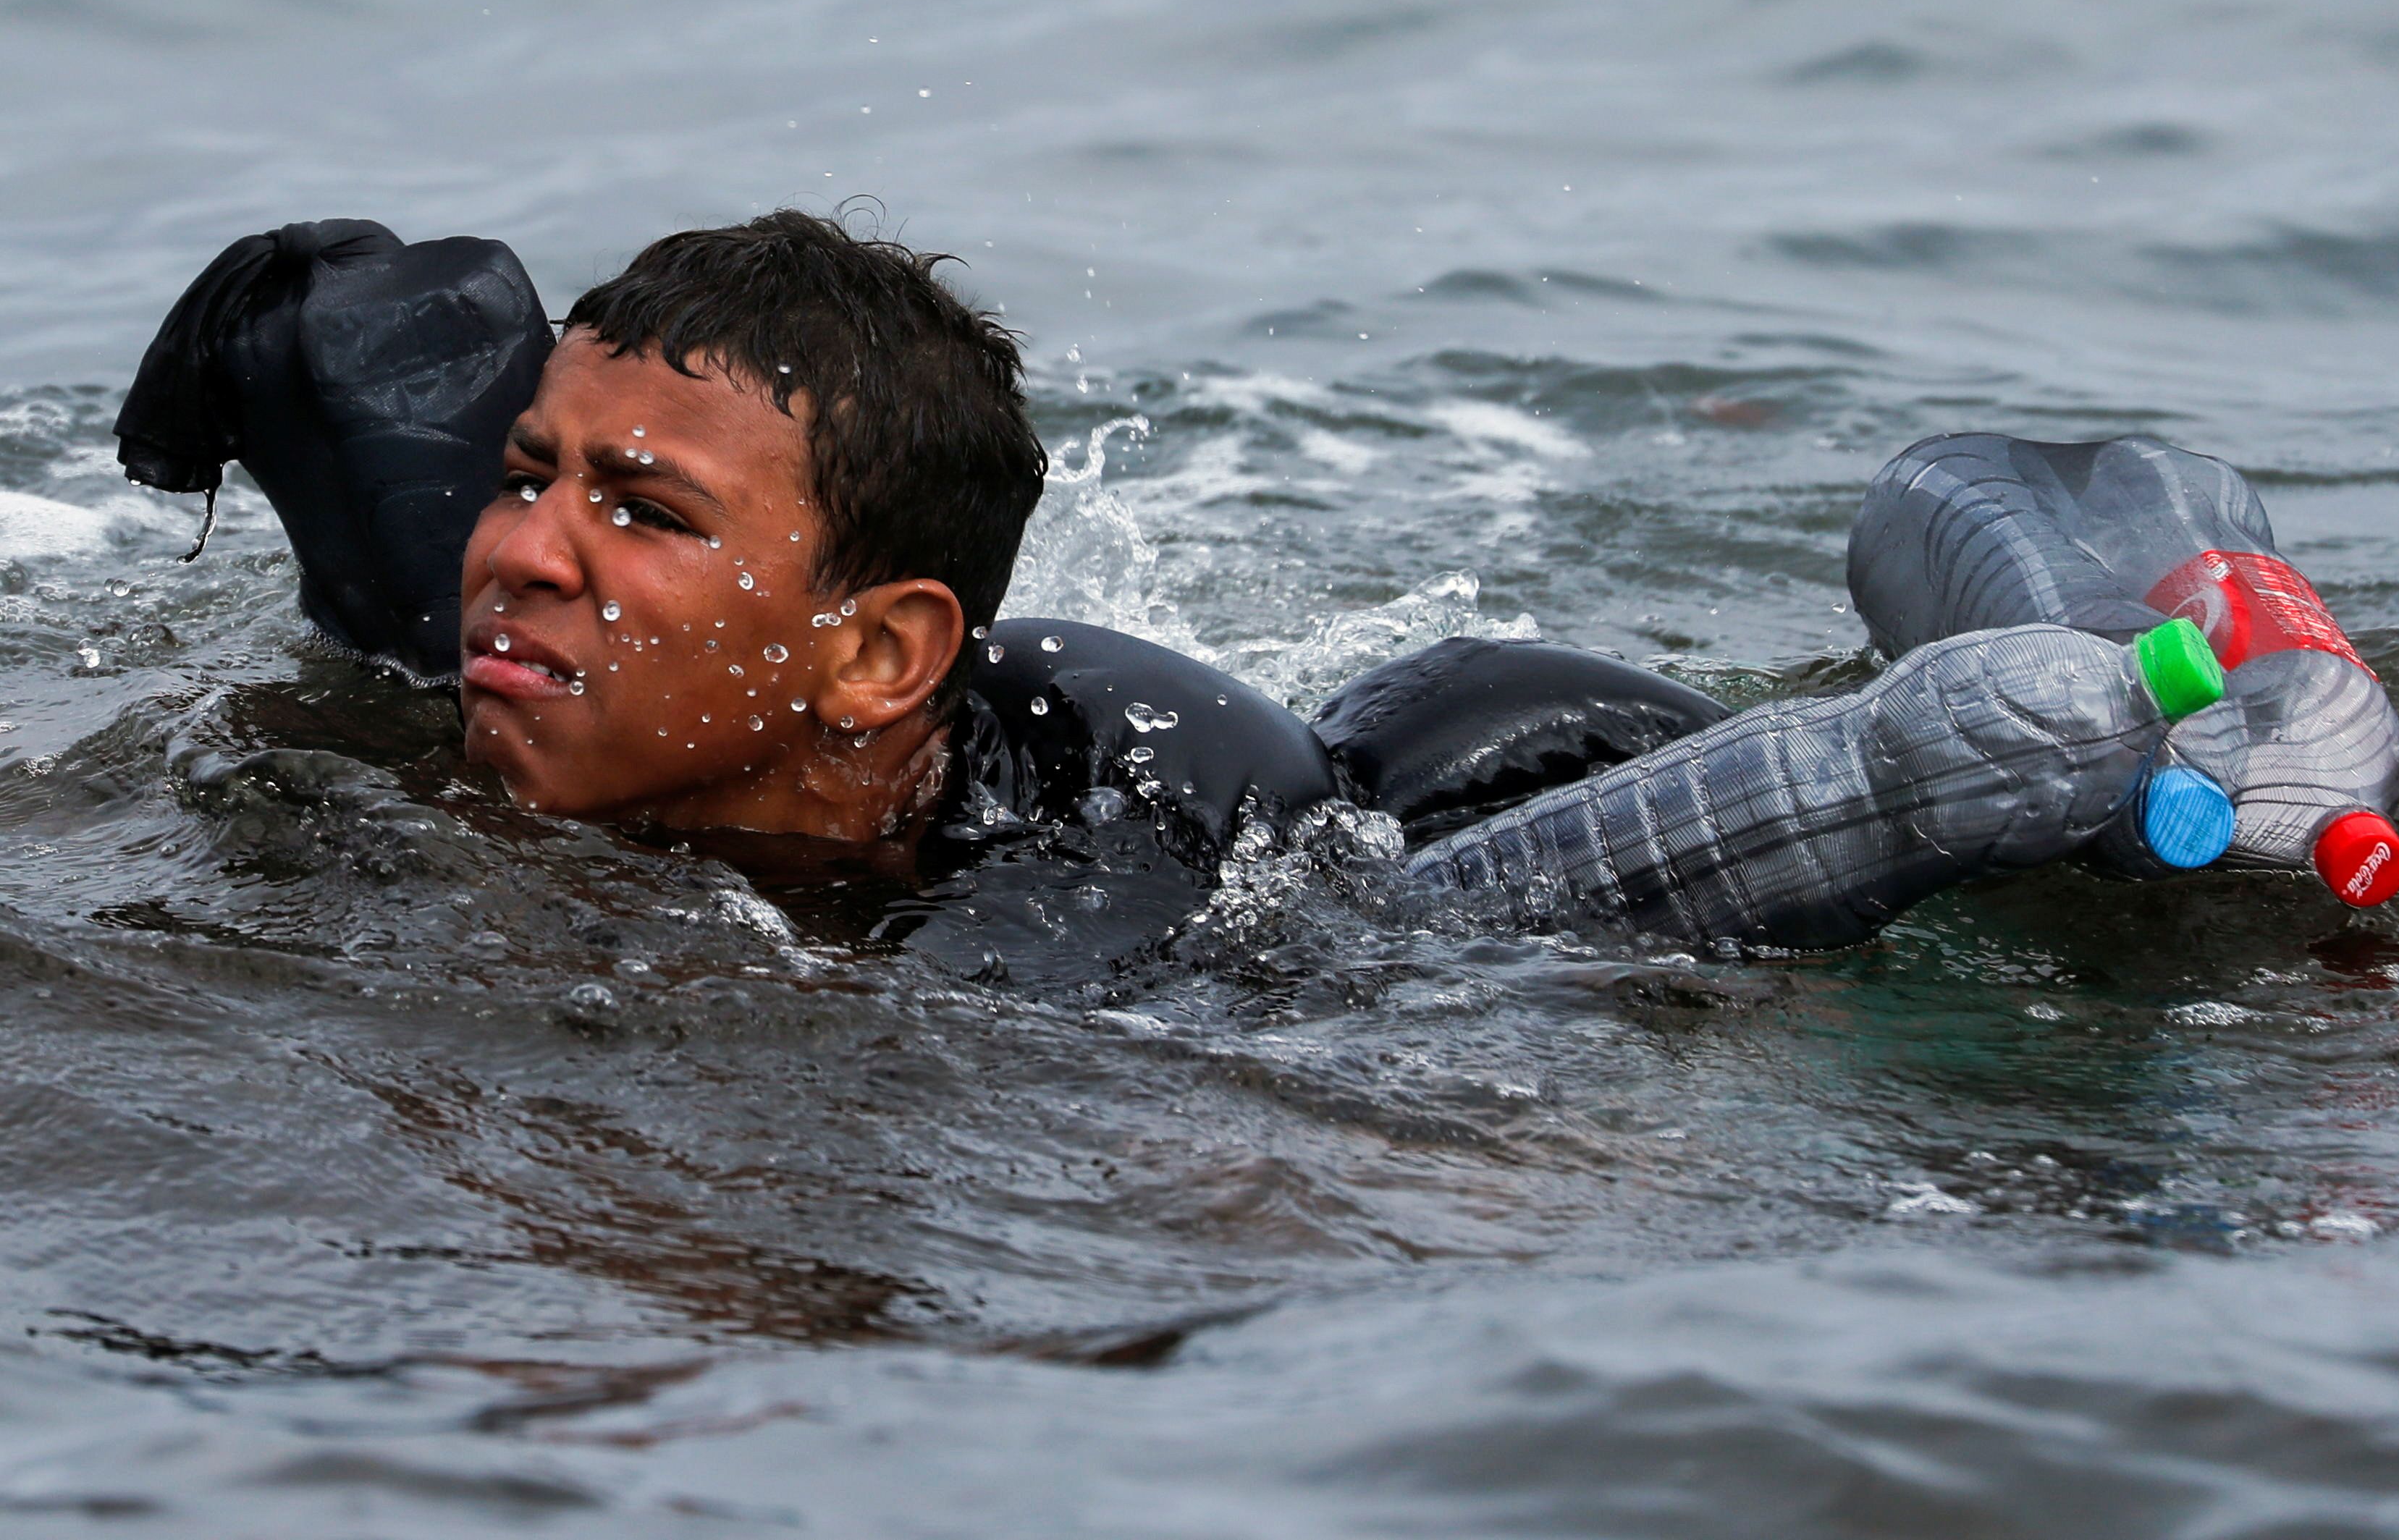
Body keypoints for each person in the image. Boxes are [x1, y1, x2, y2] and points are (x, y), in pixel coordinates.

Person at [111, 212, 1729, 964]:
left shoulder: (1086, 902)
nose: (524, 551)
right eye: (531, 472)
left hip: (1494, 780)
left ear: (880, 656)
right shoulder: (495, 668)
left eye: (647, 513)